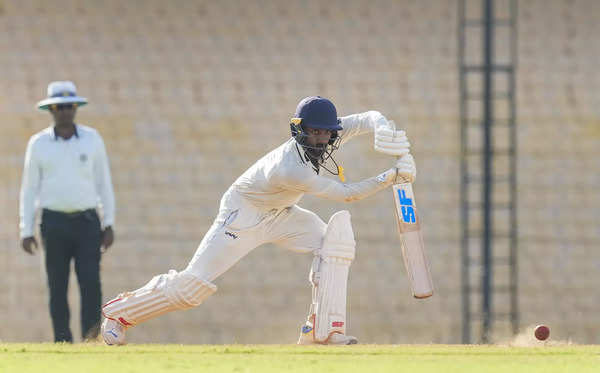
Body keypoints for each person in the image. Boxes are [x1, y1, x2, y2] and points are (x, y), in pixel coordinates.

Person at [101, 96, 414, 345]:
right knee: (191, 288)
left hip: (280, 213)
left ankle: (321, 332)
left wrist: (384, 128)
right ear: (299, 130)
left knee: (334, 244)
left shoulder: (331, 131)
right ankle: (118, 314)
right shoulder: (292, 168)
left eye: (325, 132)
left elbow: (368, 117)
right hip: (244, 215)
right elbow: (346, 194)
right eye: (314, 132)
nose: (320, 139)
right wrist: (390, 177)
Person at [20, 81, 116, 343]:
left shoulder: (92, 139)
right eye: (59, 107)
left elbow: (103, 182)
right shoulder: (38, 144)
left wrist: (108, 223)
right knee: (57, 287)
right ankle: (63, 342)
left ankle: (91, 338)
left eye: (69, 106)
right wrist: (26, 230)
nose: (64, 111)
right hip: (53, 223)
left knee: (91, 285)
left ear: (76, 108)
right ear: (51, 110)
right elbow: (29, 189)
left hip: (87, 222)